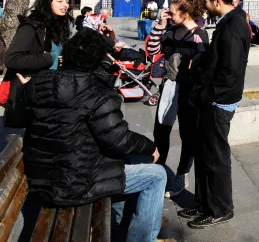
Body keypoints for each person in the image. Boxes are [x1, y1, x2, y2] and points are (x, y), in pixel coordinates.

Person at [6, 29, 169, 242]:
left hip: (43, 177)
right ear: (99, 60)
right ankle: (141, 239)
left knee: (123, 164)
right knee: (157, 175)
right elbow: (118, 140)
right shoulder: (97, 92)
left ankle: (120, 230)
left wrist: (21, 92)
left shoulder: (39, 82)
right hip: (75, 185)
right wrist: (150, 146)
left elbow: (13, 120)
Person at [181, 0, 250, 229]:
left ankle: (220, 209)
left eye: (207, 2)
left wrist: (209, 96)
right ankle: (204, 203)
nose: (205, 6)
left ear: (217, 1)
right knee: (204, 153)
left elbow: (229, 72)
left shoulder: (232, 26)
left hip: (218, 102)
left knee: (214, 157)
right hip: (214, 99)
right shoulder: (231, 21)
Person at [147, 0, 208, 198]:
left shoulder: (200, 34)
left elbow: (203, 64)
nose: (169, 15)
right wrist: (160, 25)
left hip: (188, 90)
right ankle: (159, 170)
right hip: (169, 86)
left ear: (185, 13)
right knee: (161, 131)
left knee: (187, 134)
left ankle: (181, 175)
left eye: (172, 12)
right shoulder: (170, 30)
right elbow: (152, 50)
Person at [1, 0, 72, 116]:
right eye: (59, 1)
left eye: (67, 1)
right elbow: (12, 59)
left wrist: (59, 59)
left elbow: (51, 53)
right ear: (46, 3)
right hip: (30, 88)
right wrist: (48, 58)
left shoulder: (54, 27)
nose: (65, 5)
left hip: (48, 87)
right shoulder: (30, 27)